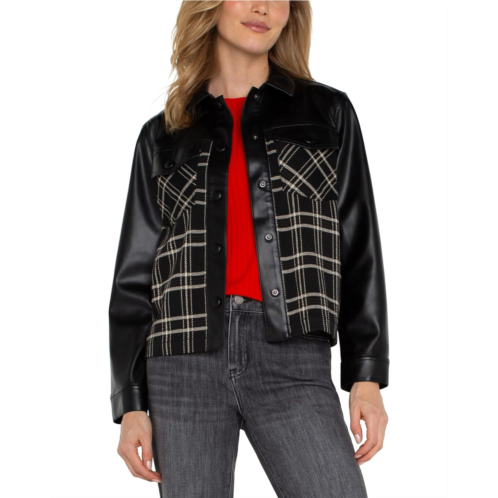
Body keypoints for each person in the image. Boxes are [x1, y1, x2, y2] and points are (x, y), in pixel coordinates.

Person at [109, 0, 389, 496]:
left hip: (293, 357)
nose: (263, 7)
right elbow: (134, 277)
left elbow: (359, 244)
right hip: (182, 364)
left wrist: (365, 374)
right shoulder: (162, 135)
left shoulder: (327, 114)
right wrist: (131, 403)